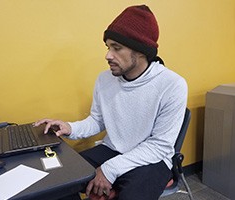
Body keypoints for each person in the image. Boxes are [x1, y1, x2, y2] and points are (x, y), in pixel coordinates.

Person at [35, 5, 188, 200]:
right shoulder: (104, 79)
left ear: (141, 51)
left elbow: (160, 146)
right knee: (59, 182)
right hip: (112, 149)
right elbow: (98, 120)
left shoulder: (172, 85)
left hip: (152, 159)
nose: (108, 55)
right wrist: (70, 128)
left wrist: (109, 169)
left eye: (117, 48)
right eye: (108, 47)